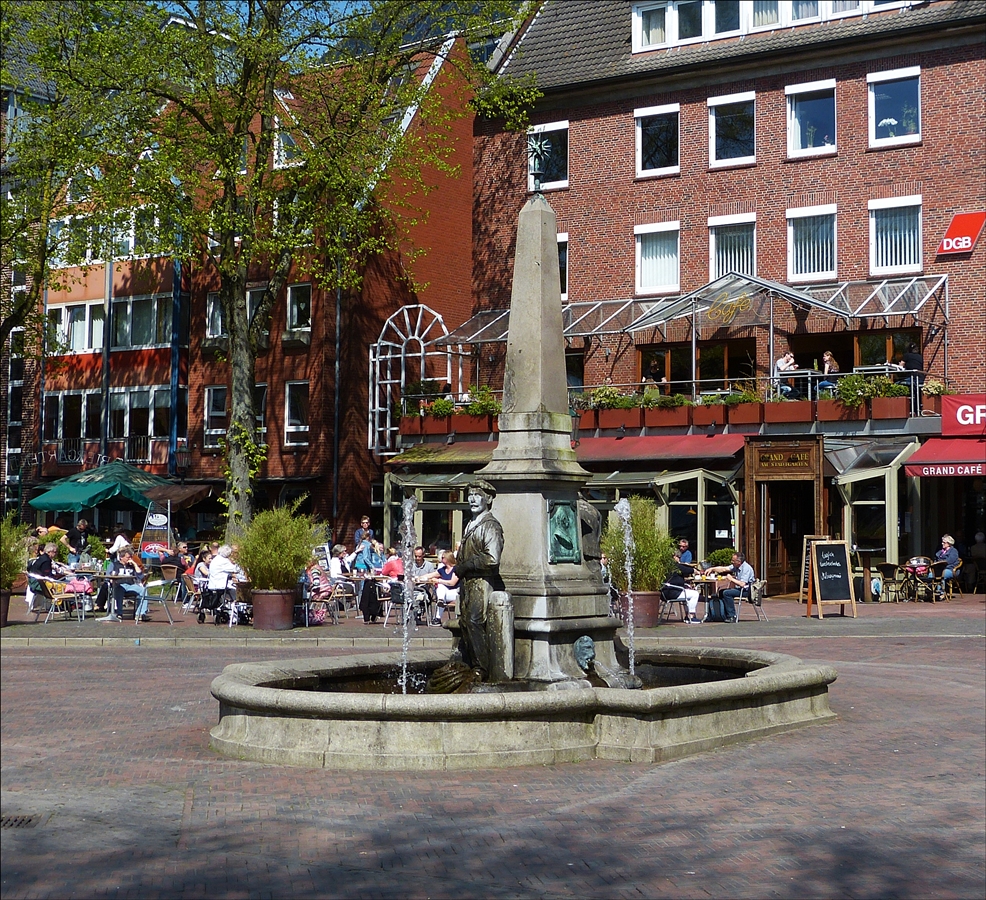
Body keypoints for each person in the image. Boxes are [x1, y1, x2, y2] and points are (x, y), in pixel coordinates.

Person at [454, 480, 505, 678]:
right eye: (470, 495)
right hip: (468, 582)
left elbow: (492, 559)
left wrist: (467, 565)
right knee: (466, 622)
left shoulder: (490, 526)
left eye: (477, 495)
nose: (472, 499)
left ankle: (482, 669)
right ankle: (472, 663)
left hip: (481, 582)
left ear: (489, 499)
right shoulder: (471, 523)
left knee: (475, 621)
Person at [703, 552, 755, 622]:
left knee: (727, 593)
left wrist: (731, 579)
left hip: (746, 591)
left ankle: (732, 616)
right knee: (721, 592)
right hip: (739, 589)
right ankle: (722, 614)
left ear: (739, 562)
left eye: (733, 561)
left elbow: (742, 584)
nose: (731, 562)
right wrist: (712, 569)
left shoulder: (746, 568)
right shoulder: (736, 566)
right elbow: (724, 569)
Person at [102, 548, 148, 623]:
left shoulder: (131, 566)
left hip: (130, 585)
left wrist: (135, 564)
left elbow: (141, 576)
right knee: (119, 589)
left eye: (130, 557)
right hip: (119, 584)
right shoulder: (114, 564)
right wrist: (112, 580)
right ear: (121, 557)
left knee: (143, 590)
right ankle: (119, 613)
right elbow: (108, 576)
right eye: (128, 557)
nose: (129, 559)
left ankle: (140, 613)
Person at [434, 550, 459, 625]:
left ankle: (437, 618)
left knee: (441, 585)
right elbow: (431, 574)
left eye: (442, 557)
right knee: (441, 588)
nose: (441, 559)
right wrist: (418, 578)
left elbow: (452, 583)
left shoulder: (456, 569)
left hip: (456, 593)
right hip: (446, 594)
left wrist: (439, 580)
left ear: (447, 558)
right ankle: (440, 602)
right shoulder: (443, 569)